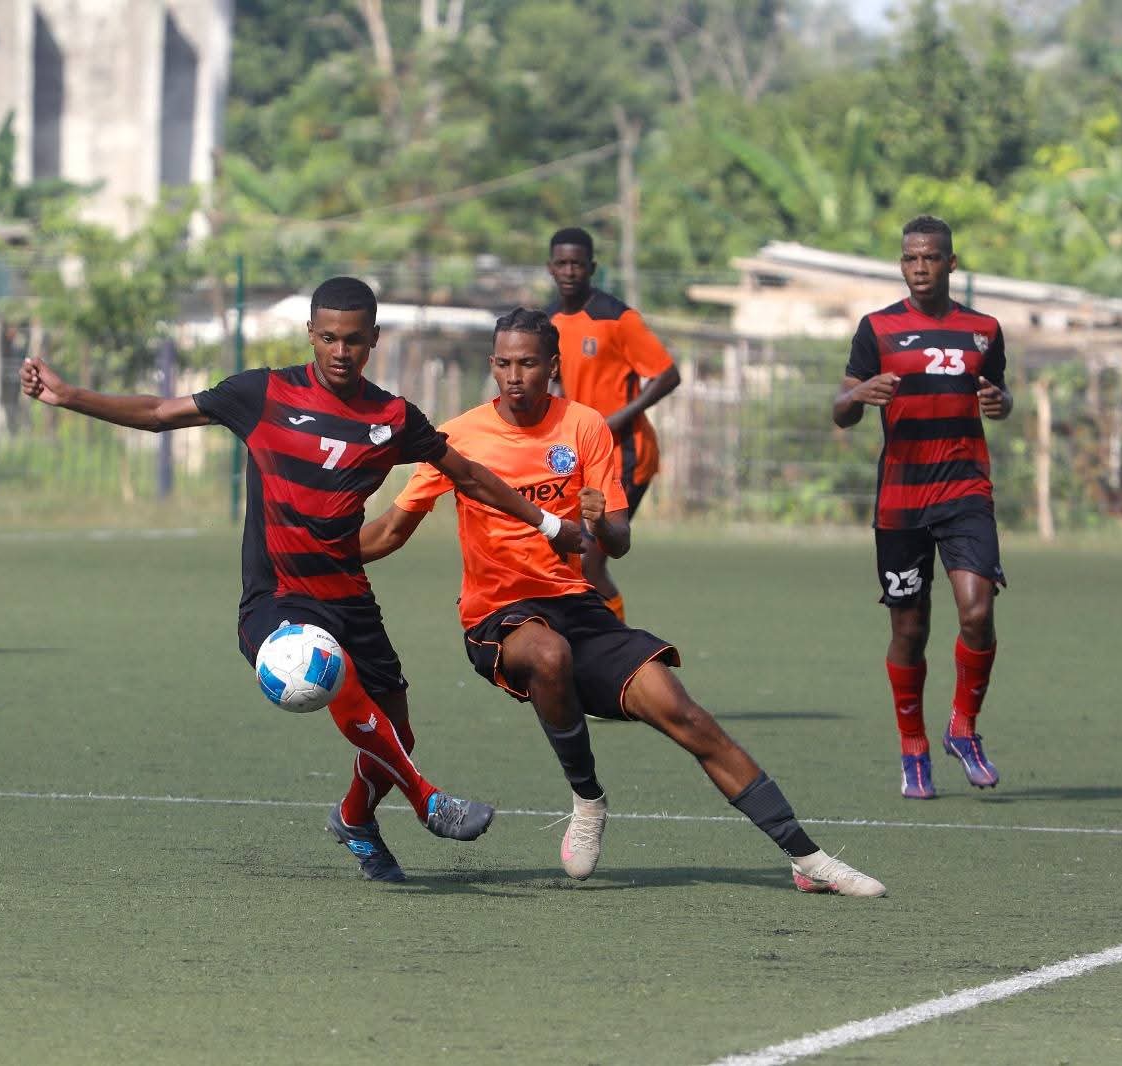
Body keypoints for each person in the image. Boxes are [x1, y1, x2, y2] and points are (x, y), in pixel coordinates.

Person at [19, 277, 587, 883]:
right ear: (310, 335)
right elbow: (161, 413)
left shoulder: (391, 416)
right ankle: (428, 801)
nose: (340, 352)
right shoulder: (262, 393)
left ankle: (354, 820)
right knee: (324, 667)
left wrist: (549, 522)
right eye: (328, 339)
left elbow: (469, 475)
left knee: (397, 730)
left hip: (347, 594)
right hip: (277, 598)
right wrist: (69, 396)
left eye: (353, 341)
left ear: (373, 340)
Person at [359, 308, 886, 896]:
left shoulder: (584, 426)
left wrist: (597, 524)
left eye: (529, 363)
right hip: (498, 617)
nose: (515, 375)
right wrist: (316, 556)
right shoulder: (458, 438)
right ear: (491, 365)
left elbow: (618, 538)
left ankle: (806, 857)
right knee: (549, 654)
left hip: (577, 606)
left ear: (552, 367)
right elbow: (388, 532)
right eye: (504, 363)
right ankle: (587, 796)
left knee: (685, 714)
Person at [833, 215, 1013, 801]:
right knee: (909, 629)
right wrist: (858, 395)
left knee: (977, 614)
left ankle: (964, 726)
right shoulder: (877, 328)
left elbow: (998, 394)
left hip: (965, 491)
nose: (920, 268)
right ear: (901, 263)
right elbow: (841, 409)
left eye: (931, 258)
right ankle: (913, 746)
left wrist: (1001, 400)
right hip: (902, 501)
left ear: (951, 263)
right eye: (910, 258)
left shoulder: (984, 329)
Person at [546, 226, 679, 623]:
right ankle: (594, 642)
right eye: (562, 263)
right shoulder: (552, 321)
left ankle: (618, 650)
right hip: (582, 456)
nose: (570, 271)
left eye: (578, 264)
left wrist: (619, 417)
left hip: (626, 454)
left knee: (589, 563)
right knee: (570, 560)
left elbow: (667, 374)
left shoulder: (617, 318)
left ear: (592, 268)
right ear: (550, 268)